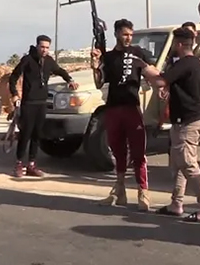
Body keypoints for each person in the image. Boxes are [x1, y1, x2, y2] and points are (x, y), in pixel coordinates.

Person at [139, 27, 200, 222]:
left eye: (175, 43)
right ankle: (176, 203)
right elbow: (171, 82)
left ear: (180, 44)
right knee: (179, 164)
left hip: (188, 122)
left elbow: (160, 81)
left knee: (188, 165)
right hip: (187, 121)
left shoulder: (185, 63)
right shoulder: (195, 63)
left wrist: (143, 67)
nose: (174, 46)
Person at [91, 19, 152, 211]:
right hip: (113, 108)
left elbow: (152, 72)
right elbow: (99, 83)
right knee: (117, 151)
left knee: (138, 152)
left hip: (132, 107)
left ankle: (143, 191)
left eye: (131, 35)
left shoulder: (138, 53)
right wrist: (95, 65)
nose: (128, 38)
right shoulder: (109, 57)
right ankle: (120, 190)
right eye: (125, 34)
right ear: (117, 34)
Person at [9, 34, 78, 178]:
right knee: (25, 134)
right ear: (37, 46)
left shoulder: (49, 61)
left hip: (42, 103)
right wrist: (14, 94)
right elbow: (13, 77)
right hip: (29, 103)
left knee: (37, 135)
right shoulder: (27, 60)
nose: (44, 50)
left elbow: (60, 71)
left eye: (47, 47)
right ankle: (19, 164)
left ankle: (32, 165)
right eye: (42, 47)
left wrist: (70, 80)